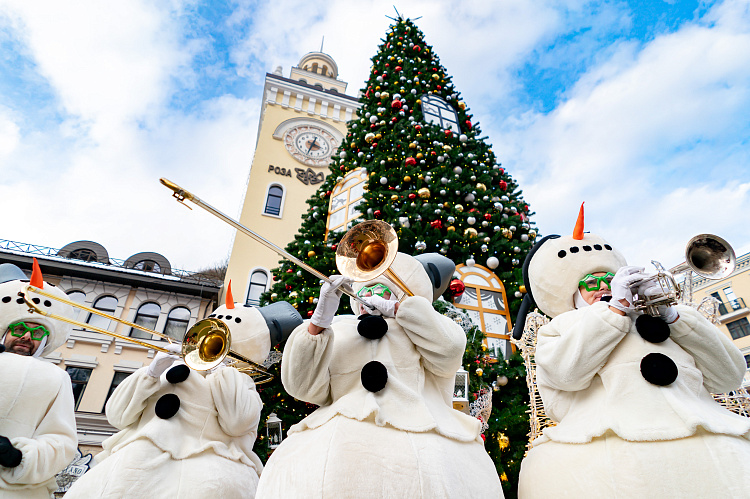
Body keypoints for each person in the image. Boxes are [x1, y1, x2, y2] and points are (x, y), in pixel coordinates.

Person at [514, 205, 750, 498]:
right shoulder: (560, 327)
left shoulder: (672, 317)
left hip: (710, 441)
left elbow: (729, 376)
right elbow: (565, 375)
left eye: (609, 280)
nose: (603, 287)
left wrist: (674, 316)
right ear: (573, 294)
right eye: (592, 284)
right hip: (612, 456)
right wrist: (613, 313)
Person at [256, 252, 504, 499]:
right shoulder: (340, 330)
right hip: (338, 446)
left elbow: (449, 353)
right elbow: (301, 386)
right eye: (367, 291)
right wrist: (318, 323)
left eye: (382, 290)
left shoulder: (423, 328)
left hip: (420, 440)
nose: (371, 298)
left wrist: (402, 311)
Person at [64, 292, 302, 499]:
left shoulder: (239, 381)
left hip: (200, 471)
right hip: (134, 464)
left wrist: (222, 369)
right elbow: (117, 415)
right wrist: (151, 373)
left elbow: (238, 422)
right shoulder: (165, 368)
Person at [0, 261, 78, 498]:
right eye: (19, 328)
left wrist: (19, 456)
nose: (25, 336)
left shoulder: (57, 377)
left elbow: (61, 441)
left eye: (36, 332)